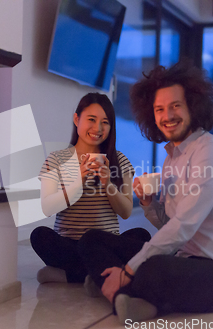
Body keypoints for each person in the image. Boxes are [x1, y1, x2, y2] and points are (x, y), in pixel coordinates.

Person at [77, 61, 213, 323]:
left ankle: (116, 286)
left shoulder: (210, 151)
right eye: (159, 109)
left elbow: (183, 226)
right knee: (92, 239)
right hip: (183, 255)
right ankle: (129, 297)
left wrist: (128, 270)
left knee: (150, 268)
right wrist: (149, 204)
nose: (167, 116)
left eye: (175, 106)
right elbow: (169, 224)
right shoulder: (172, 158)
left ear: (192, 106)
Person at [31, 93, 151, 287]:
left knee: (142, 236)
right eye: (91, 120)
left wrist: (107, 184)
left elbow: (126, 212)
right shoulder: (56, 159)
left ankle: (72, 276)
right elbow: (47, 207)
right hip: (70, 245)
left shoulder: (119, 160)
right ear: (77, 119)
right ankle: (101, 274)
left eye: (105, 122)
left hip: (104, 244)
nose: (98, 128)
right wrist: (78, 180)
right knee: (39, 235)